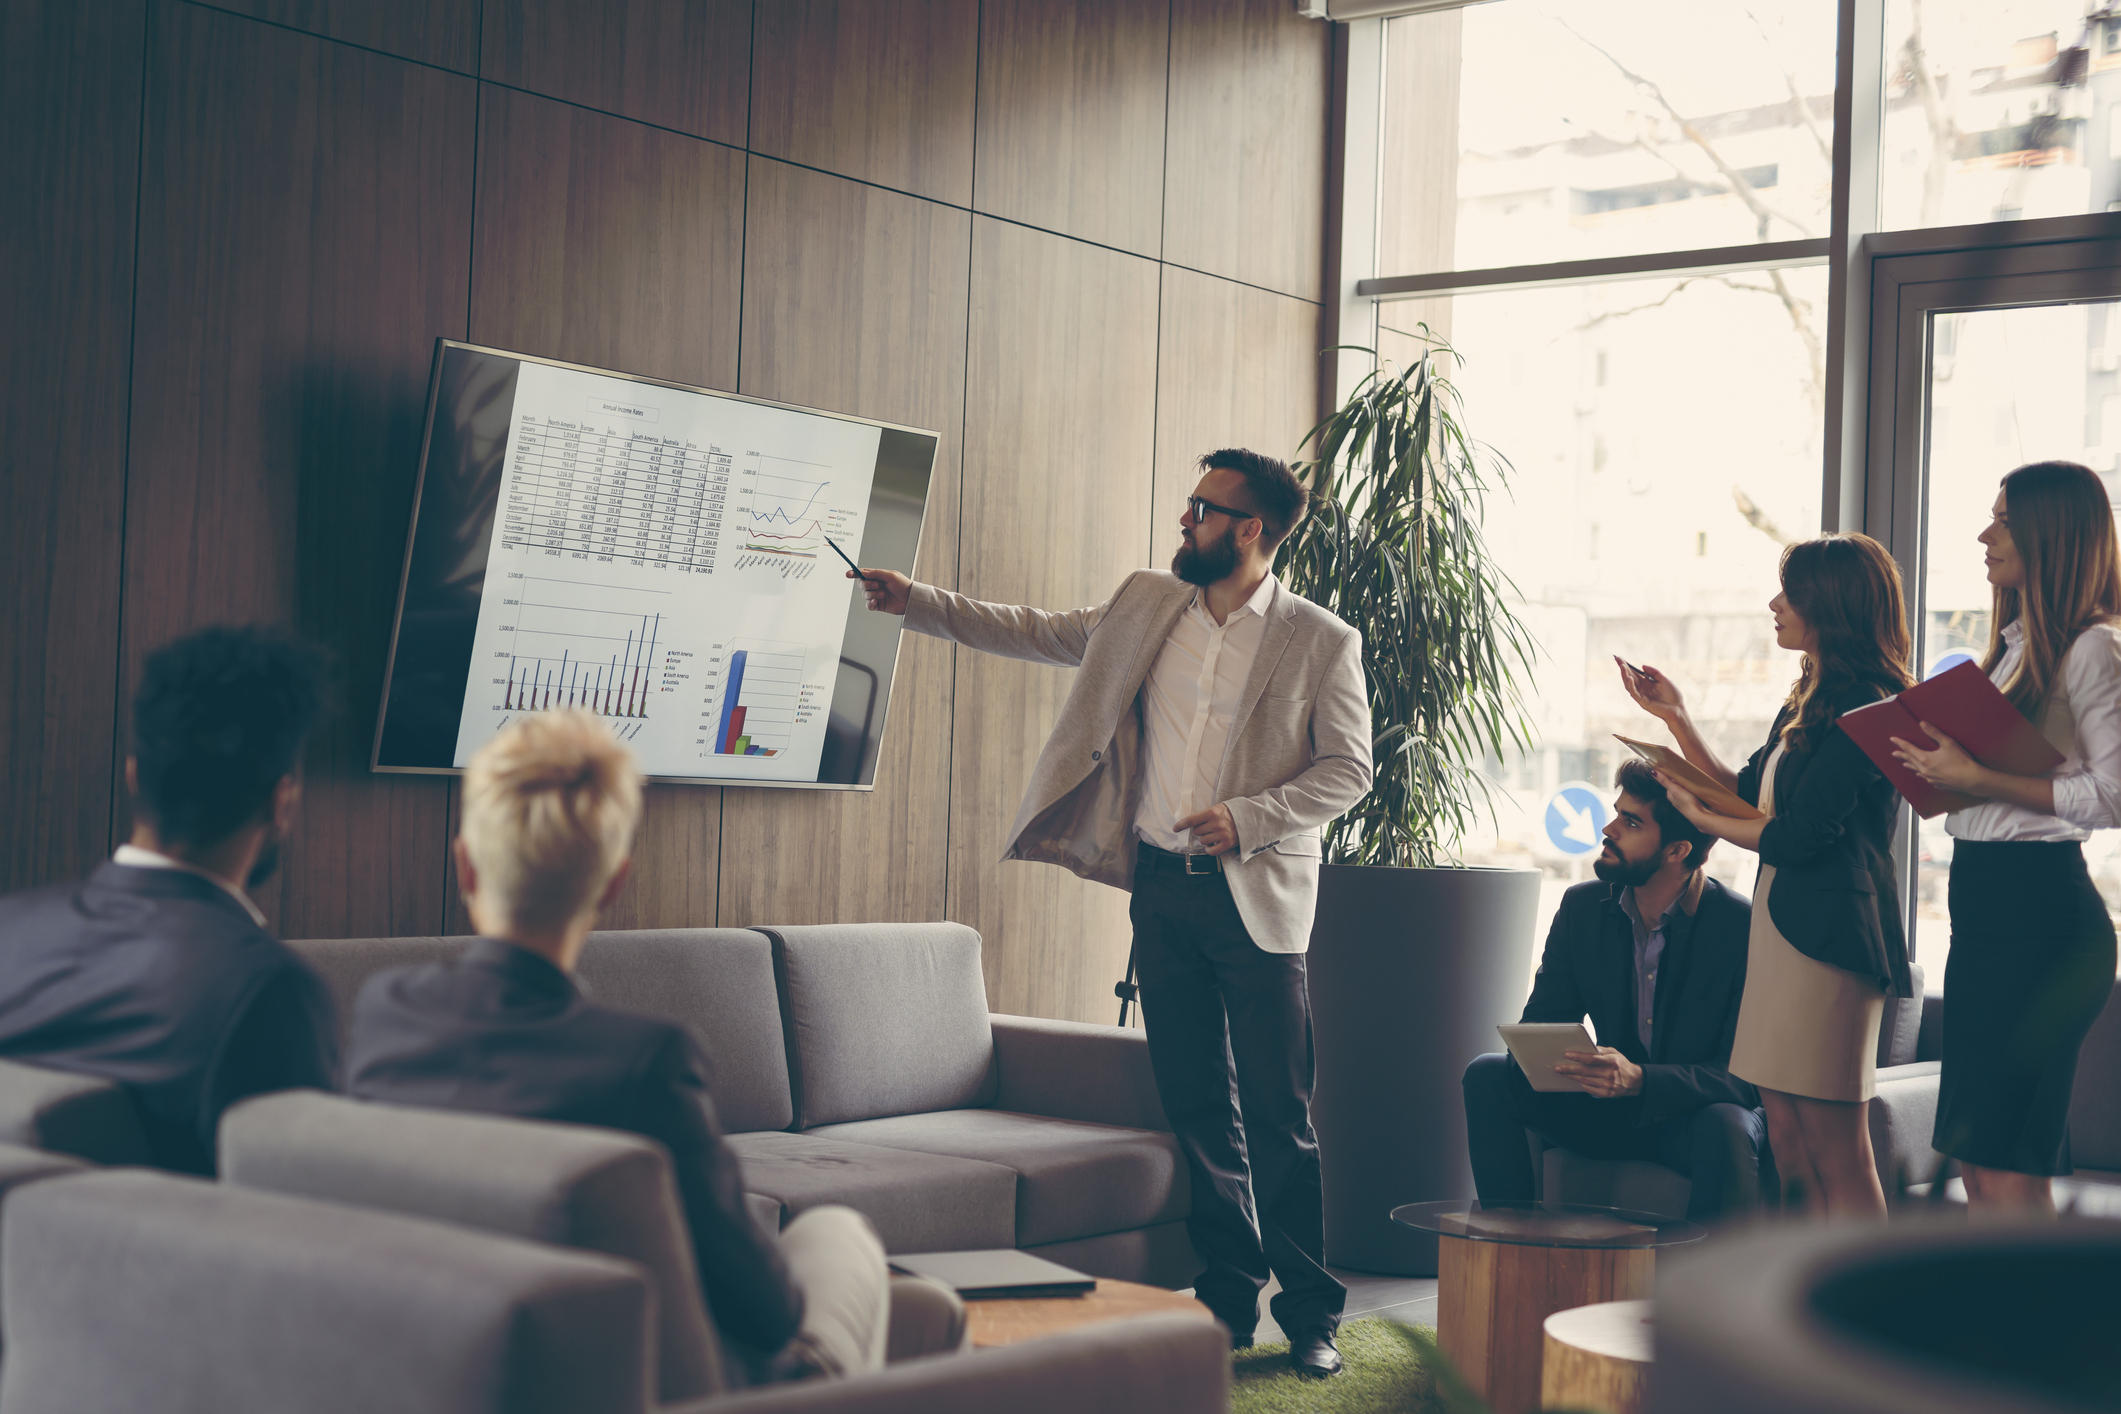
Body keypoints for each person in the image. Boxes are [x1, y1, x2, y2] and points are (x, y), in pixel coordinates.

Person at [850, 448, 1372, 1379]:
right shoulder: (1145, 603)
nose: (1185, 520)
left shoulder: (1319, 638)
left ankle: (1311, 1316)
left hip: (1258, 902)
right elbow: (1039, 630)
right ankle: (1223, 1302)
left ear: (1249, 529)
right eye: (1188, 504)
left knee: (1279, 1115)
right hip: (1164, 891)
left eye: (1203, 509)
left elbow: (1348, 770)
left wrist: (1248, 819)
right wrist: (915, 601)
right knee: (1198, 1108)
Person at [344, 709, 934, 1386]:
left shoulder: (385, 1014)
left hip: (462, 1367)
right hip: (678, 1386)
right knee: (837, 1233)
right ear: (614, 883)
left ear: (467, 866)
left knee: (928, 1310)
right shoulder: (643, 1061)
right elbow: (767, 1311)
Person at [1622, 534, 1916, 1218]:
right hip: (1783, 934)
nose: (1773, 604)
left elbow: (1796, 835)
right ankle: (1806, 1293)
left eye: (1791, 592)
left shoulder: (1870, 703)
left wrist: (1700, 815)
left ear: (1831, 604)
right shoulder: (1808, 700)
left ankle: (1863, 1310)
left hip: (1831, 944)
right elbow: (1746, 795)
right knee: (1784, 1135)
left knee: (1836, 1146)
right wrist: (1675, 719)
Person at [0, 625, 338, 1175]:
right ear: (281, 802)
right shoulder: (266, 989)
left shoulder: (9, 927)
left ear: (134, 775)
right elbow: (298, 1204)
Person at [1889, 461, 2121, 1214]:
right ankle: (2007, 1325)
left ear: (2052, 535)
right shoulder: (2014, 646)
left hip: (2043, 922)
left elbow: (2113, 797)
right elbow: (1996, 789)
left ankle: (2036, 1331)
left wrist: (1978, 778)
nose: (1983, 535)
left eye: (2004, 522)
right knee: (1979, 1166)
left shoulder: (2092, 649)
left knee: (2008, 1163)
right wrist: (1939, 773)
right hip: (1985, 915)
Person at [1462, 760, 1767, 1222]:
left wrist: (1640, 1080)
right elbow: (1543, 1021)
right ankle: (1515, 1254)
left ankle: (1708, 1290)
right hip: (1604, 1110)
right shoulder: (1583, 907)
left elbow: (1743, 1079)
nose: (1608, 829)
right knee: (1488, 1076)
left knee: (1727, 1124)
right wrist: (1570, 1061)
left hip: (1687, 1117)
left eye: (1631, 822)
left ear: (1676, 850)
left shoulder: (1739, 926)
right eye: (1616, 814)